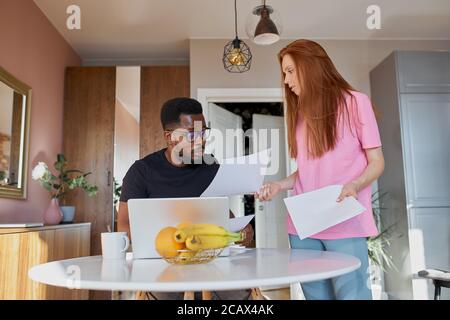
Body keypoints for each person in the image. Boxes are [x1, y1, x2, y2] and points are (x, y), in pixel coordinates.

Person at [256, 39, 385, 300]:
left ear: (311, 66)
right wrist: (280, 185)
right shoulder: (301, 115)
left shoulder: (356, 103)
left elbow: (377, 162)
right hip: (303, 227)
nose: (286, 80)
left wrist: (355, 185)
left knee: (352, 296)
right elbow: (307, 171)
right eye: (284, 73)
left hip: (344, 220)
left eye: (290, 71)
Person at [117, 97, 254, 300]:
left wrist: (239, 229)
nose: (201, 141)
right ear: (169, 137)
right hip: (163, 265)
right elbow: (124, 225)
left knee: (244, 296)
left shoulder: (211, 166)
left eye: (203, 132)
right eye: (192, 135)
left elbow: (222, 213)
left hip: (211, 263)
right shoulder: (142, 171)